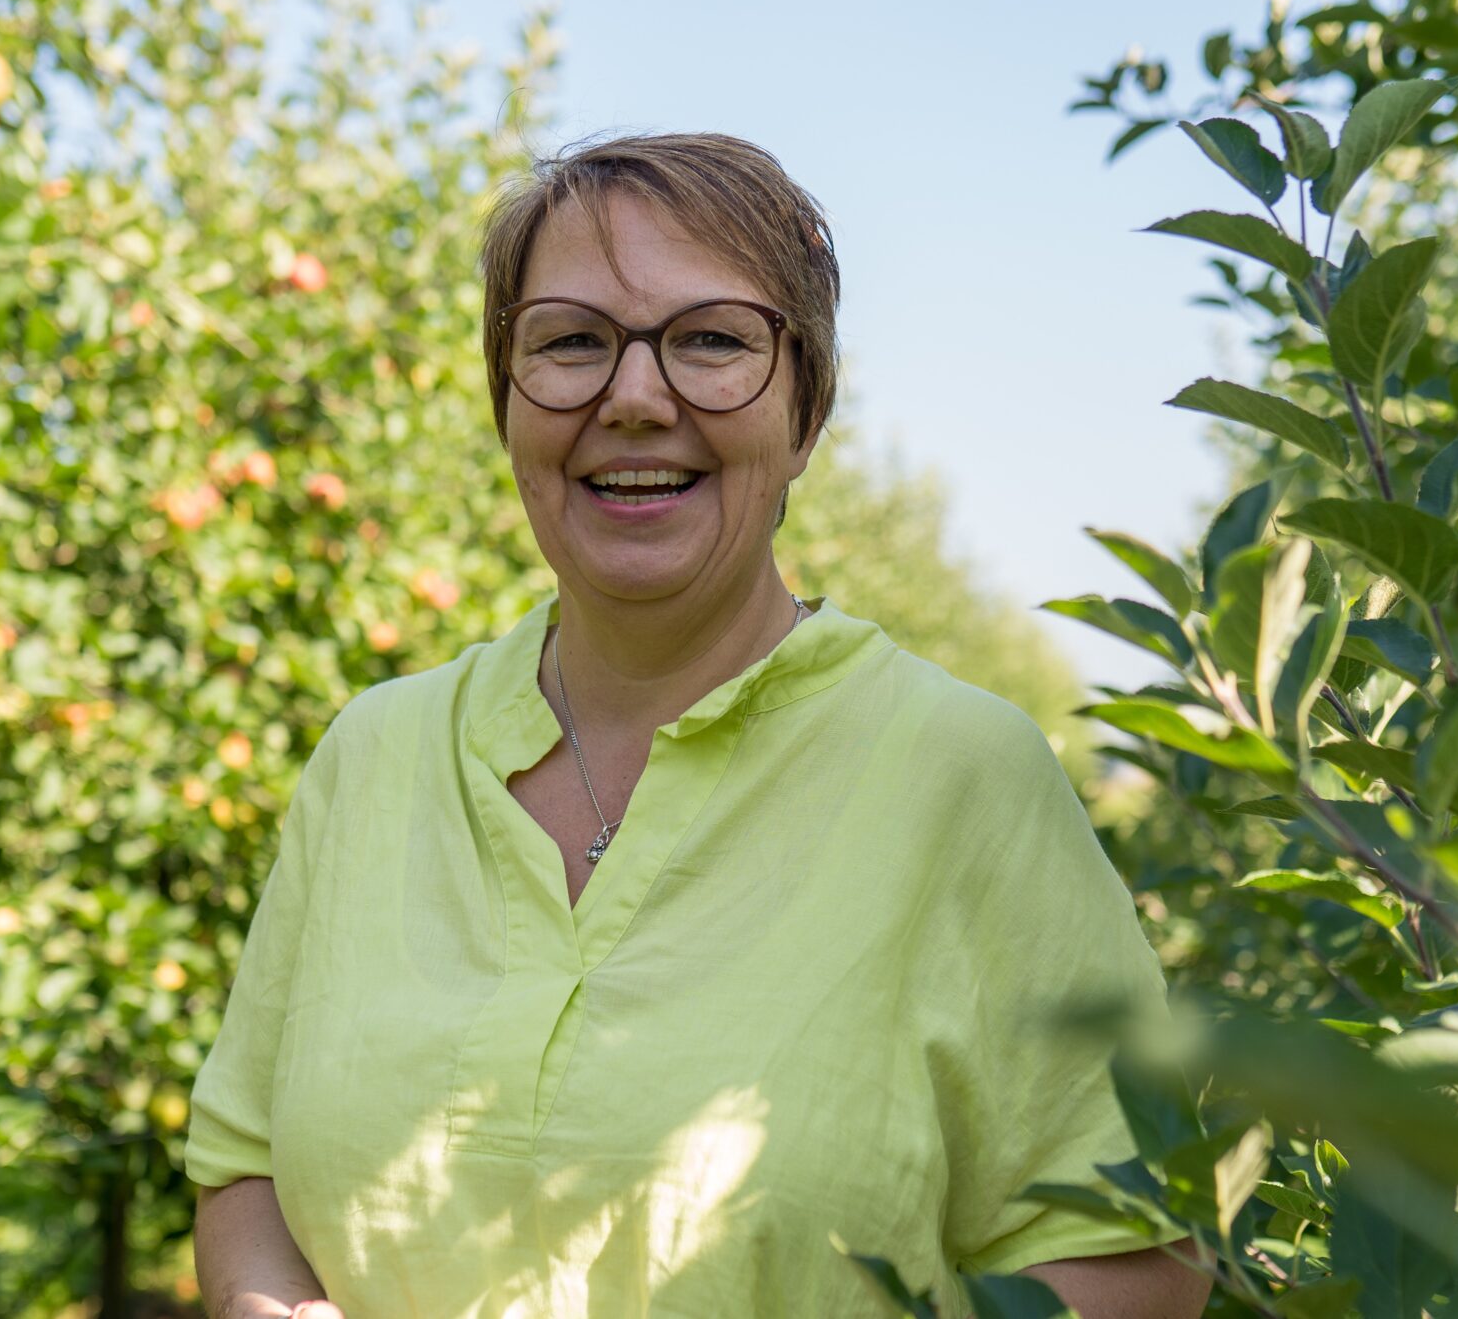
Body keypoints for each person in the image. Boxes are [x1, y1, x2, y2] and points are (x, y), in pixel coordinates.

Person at [186, 131, 1209, 1318]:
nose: (631, 399)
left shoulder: (961, 776)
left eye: (710, 342)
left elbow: (1134, 1257)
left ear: (804, 414)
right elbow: (245, 1160)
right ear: (506, 403)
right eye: (569, 343)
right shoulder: (373, 757)